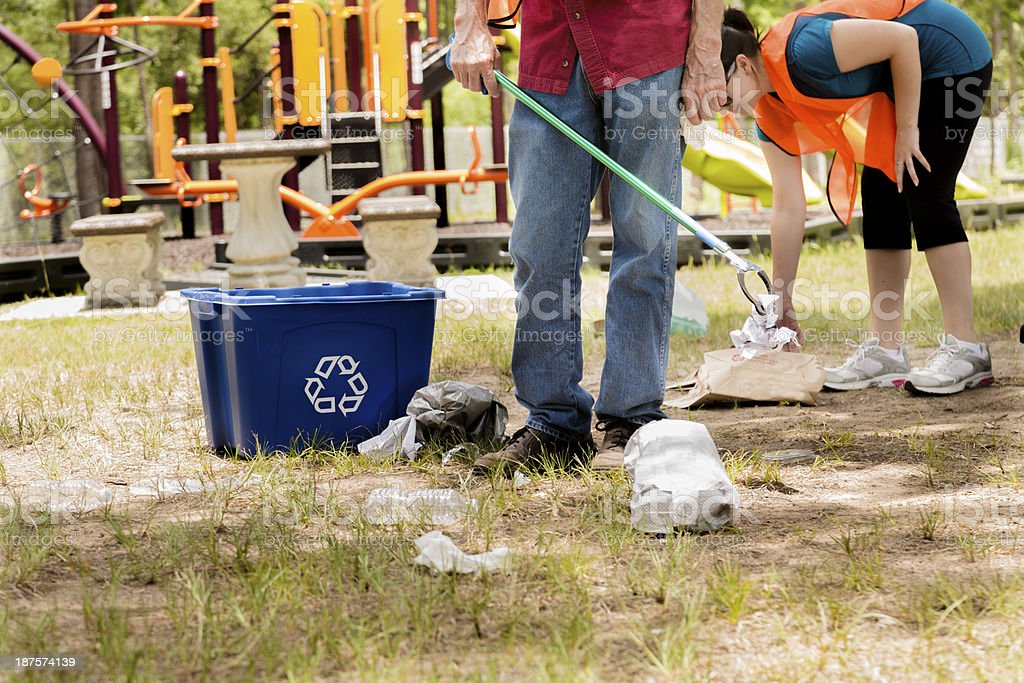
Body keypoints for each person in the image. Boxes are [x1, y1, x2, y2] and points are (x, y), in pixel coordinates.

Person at [450, 0, 726, 473]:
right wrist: (468, 22)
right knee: (538, 245)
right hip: (551, 51)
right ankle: (554, 424)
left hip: (649, 46)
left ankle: (633, 418)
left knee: (645, 242)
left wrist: (705, 49)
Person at [720, 0, 994, 395]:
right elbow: (788, 207)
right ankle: (887, 352)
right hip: (902, 78)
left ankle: (967, 349)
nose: (719, 105)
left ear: (744, 65)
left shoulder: (803, 48)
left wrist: (907, 129)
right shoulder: (768, 111)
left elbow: (904, 39)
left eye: (722, 91)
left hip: (949, 55)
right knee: (882, 196)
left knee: (925, 187)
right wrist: (782, 301)